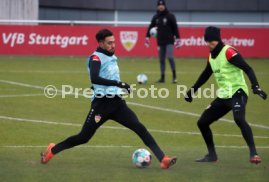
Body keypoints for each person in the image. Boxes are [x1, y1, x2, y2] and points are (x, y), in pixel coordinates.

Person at [41, 29, 177, 169]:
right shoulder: (96, 58)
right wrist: (119, 83)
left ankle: (163, 159)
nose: (113, 45)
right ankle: (52, 150)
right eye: (109, 43)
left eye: (114, 42)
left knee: (140, 128)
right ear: (100, 43)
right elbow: (95, 77)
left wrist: (121, 87)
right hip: (101, 105)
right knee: (83, 137)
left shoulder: (111, 56)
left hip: (118, 104)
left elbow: (111, 78)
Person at [184, 26, 267, 164]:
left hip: (238, 92)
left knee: (239, 119)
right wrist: (192, 90)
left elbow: (248, 68)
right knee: (202, 122)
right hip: (224, 95)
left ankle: (254, 154)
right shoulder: (211, 56)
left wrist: (255, 86)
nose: (209, 44)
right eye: (208, 41)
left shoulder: (228, 52)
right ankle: (212, 156)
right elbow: (205, 75)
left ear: (218, 40)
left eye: (212, 41)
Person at [145, 0, 181, 83]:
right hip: (160, 41)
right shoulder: (156, 17)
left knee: (170, 57)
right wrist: (147, 37)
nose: (161, 6)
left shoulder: (170, 16)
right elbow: (151, 27)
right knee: (161, 60)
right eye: (159, 5)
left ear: (165, 6)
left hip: (169, 41)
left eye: (162, 5)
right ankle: (162, 78)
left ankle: (174, 77)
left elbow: (175, 28)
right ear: (157, 6)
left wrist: (178, 39)